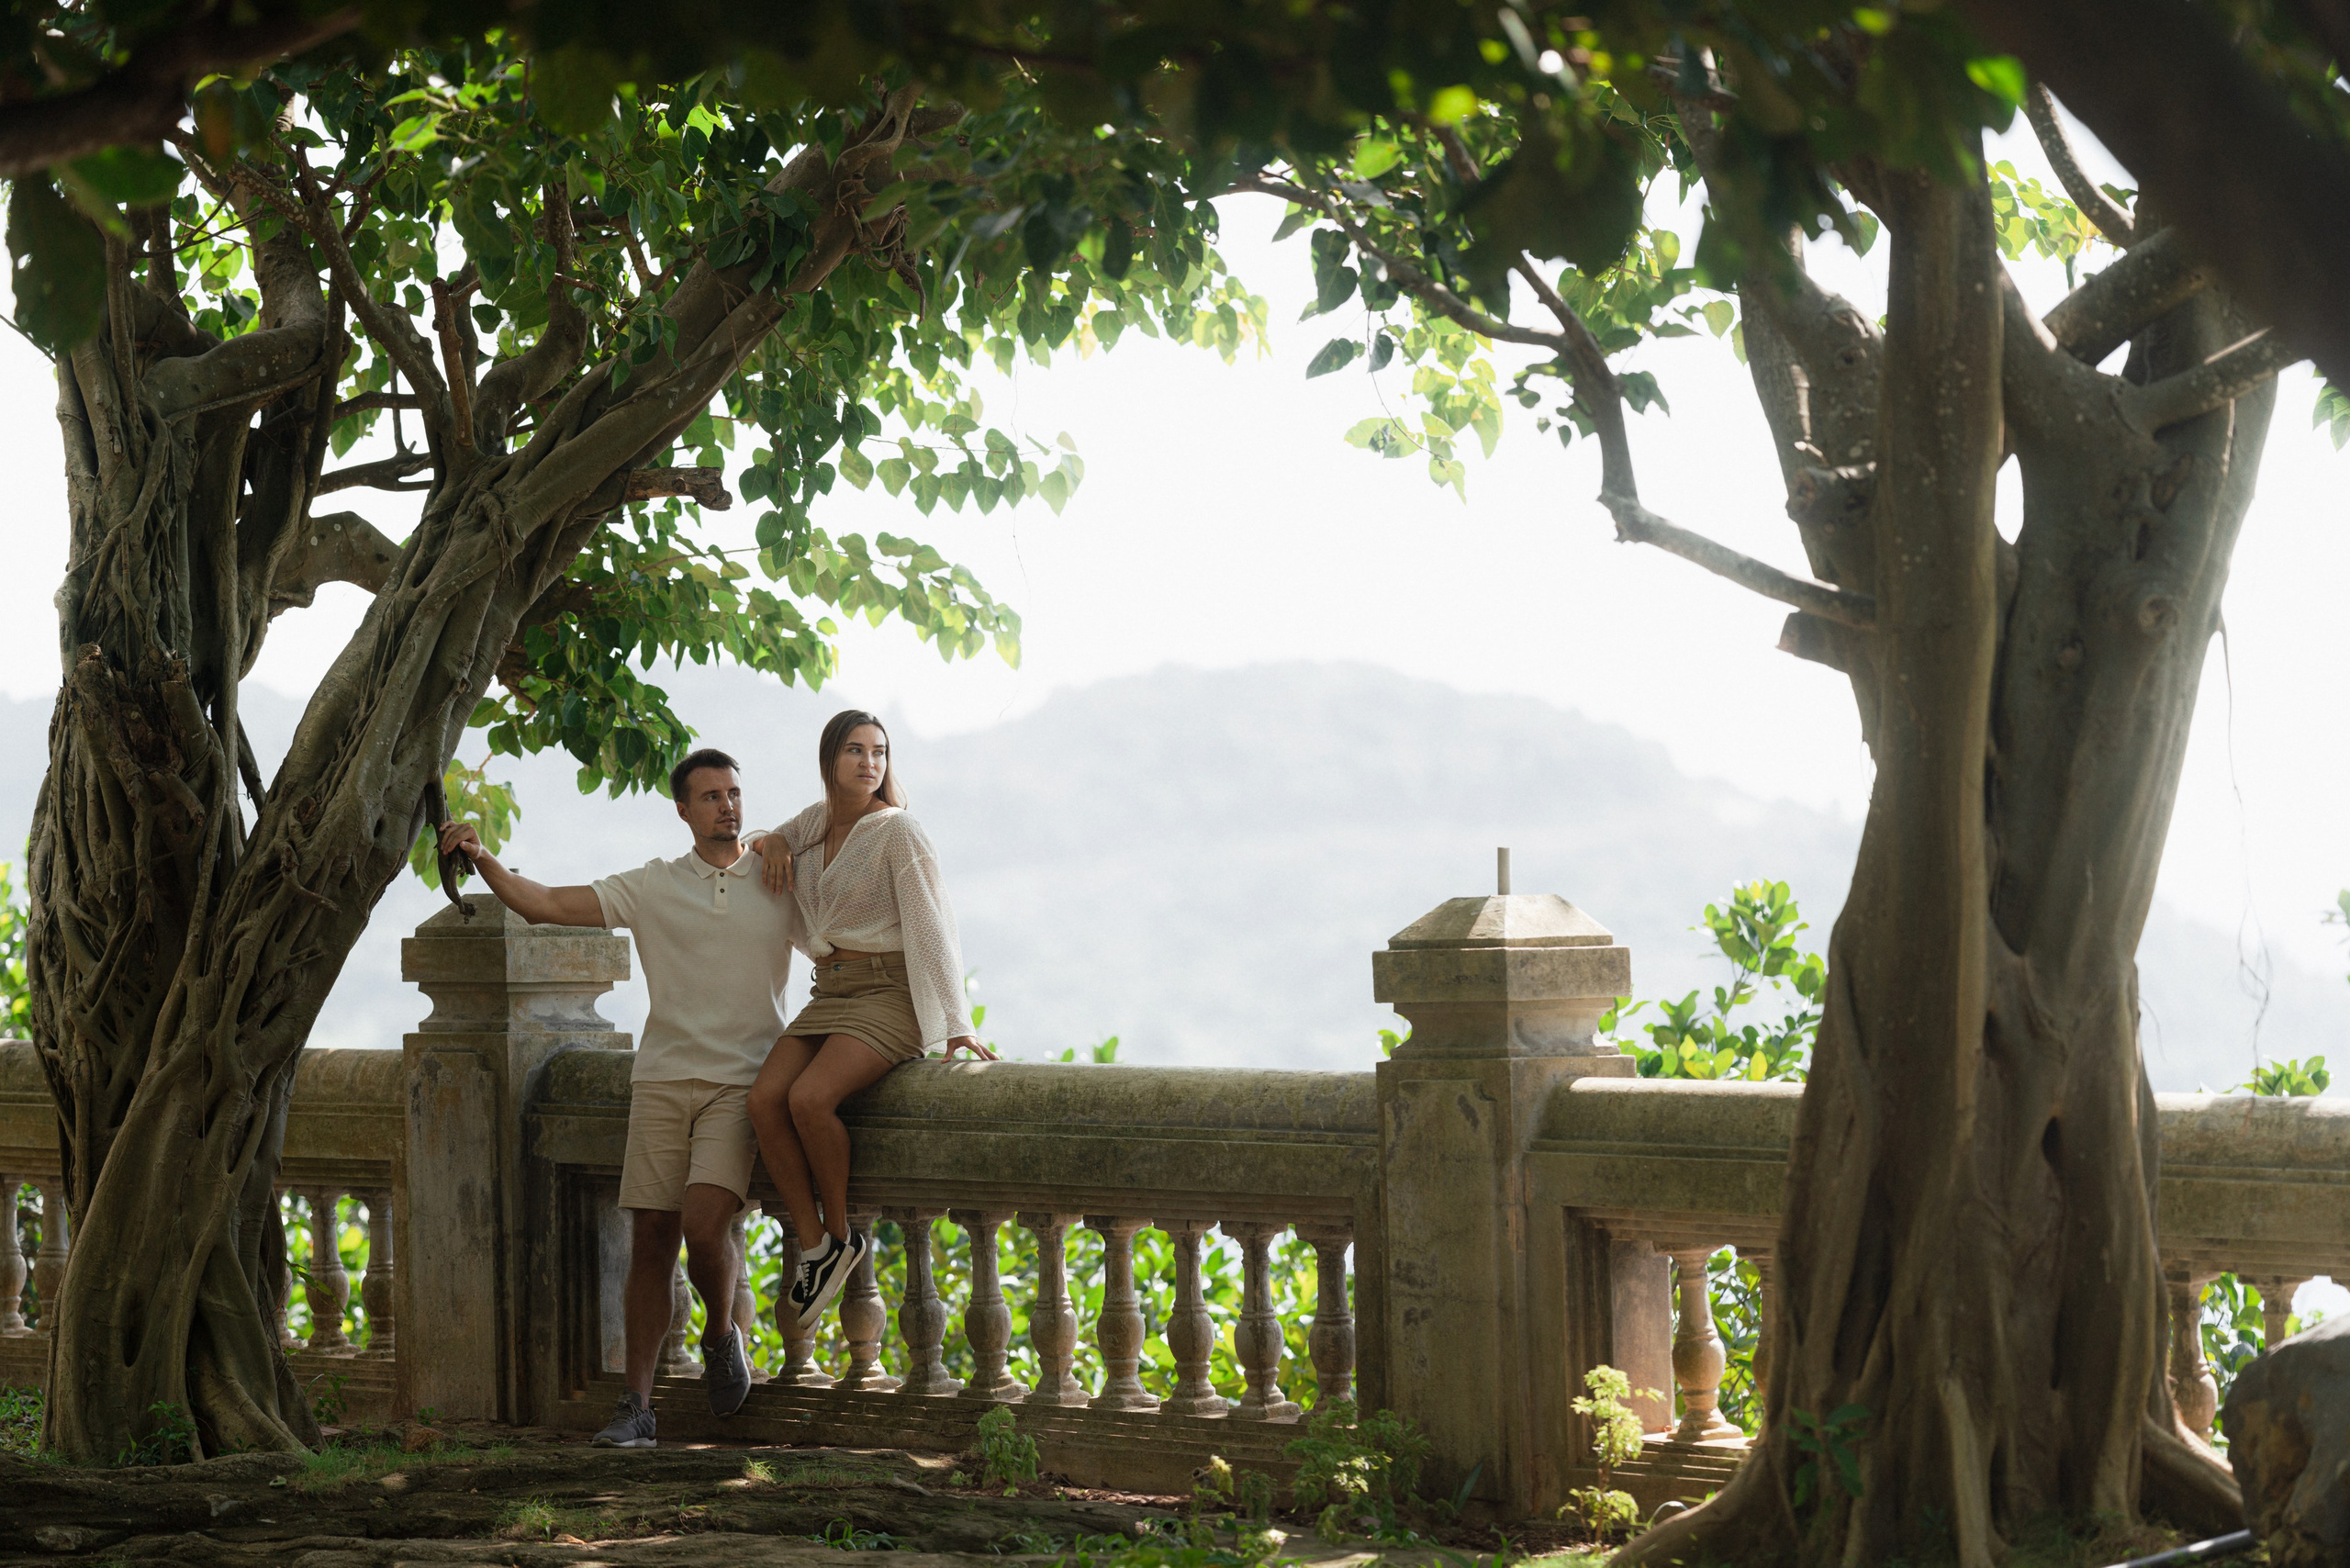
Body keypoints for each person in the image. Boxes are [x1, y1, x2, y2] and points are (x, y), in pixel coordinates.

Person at [435, 747, 795, 1450]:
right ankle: (637, 1407)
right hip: (661, 1078)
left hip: (740, 1083)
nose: (727, 806)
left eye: (734, 793)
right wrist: (481, 857)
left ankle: (721, 1333)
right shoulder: (654, 885)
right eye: (711, 796)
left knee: (704, 1227)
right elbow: (543, 904)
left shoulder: (778, 877)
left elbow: (848, 931)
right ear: (683, 810)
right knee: (651, 1238)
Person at [746, 709, 995, 1333]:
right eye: (855, 750)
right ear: (830, 758)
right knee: (763, 1101)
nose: (869, 762)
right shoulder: (814, 824)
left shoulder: (897, 830)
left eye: (879, 751)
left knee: (809, 1099)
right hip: (830, 992)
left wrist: (955, 1021)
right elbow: (764, 841)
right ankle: (815, 1246)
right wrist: (771, 841)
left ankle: (840, 1235)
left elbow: (930, 922)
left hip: (889, 994)